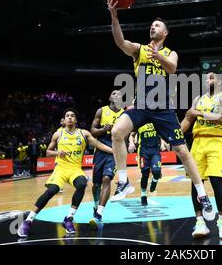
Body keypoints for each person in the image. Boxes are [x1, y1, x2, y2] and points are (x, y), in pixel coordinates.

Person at [106, 0, 215, 220]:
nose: (152, 28)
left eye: (157, 26)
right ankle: (124, 181)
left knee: (182, 151)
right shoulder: (140, 50)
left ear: (165, 33)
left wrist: (159, 57)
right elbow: (120, 43)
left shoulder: (169, 52)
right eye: (151, 26)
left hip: (163, 108)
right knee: (117, 132)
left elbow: (173, 68)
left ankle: (203, 195)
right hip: (142, 106)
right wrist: (114, 18)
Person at [17, 108, 113, 237]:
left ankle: (68, 218)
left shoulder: (83, 133)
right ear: (64, 119)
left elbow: (98, 144)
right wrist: (58, 153)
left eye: (72, 116)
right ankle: (28, 221)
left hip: (75, 169)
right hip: (61, 169)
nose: (69, 118)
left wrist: (114, 151)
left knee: (82, 183)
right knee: (52, 191)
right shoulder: (58, 134)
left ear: (76, 120)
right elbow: (48, 152)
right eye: (67, 116)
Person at [181, 72, 222, 239]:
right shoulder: (198, 99)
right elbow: (188, 120)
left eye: (211, 78)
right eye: (205, 78)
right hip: (197, 142)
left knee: (215, 179)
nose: (207, 80)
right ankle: (200, 222)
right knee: (196, 182)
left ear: (218, 81)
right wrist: (173, 134)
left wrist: (198, 114)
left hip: (217, 141)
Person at [89, 90, 124, 229]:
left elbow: (127, 134)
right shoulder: (101, 111)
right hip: (100, 150)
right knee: (96, 184)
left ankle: (99, 213)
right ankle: (96, 204)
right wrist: (103, 129)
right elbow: (92, 131)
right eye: (114, 93)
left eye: (120, 94)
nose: (117, 95)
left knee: (106, 179)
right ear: (110, 97)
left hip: (115, 149)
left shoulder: (124, 114)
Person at [129, 123, 166, 206]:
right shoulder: (140, 122)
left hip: (155, 150)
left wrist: (163, 143)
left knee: (156, 172)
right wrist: (131, 142)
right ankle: (143, 195)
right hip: (143, 151)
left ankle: (155, 180)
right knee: (145, 174)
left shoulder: (155, 120)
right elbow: (131, 135)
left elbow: (161, 134)